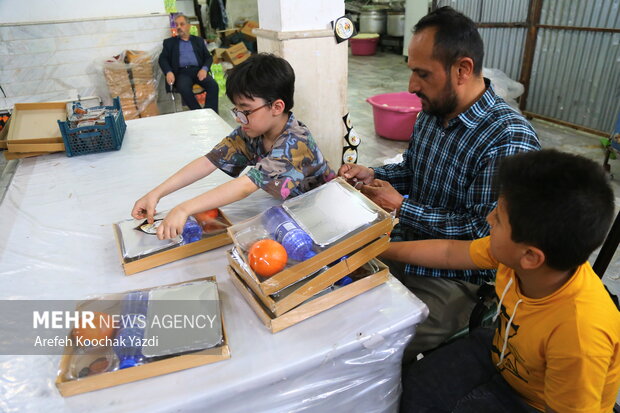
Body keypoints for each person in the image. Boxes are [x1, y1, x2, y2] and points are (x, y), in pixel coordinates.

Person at [338, 6, 540, 359]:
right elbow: (415, 170)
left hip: (459, 279)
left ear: (462, 69)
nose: (412, 86)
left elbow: (483, 238)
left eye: (422, 74)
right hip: (408, 242)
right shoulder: (433, 114)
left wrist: (401, 207)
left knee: (374, 344)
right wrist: (374, 175)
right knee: (335, 300)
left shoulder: (507, 140)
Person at [385, 150, 620, 413]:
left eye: (497, 218)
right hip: (505, 356)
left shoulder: (579, 335)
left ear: (531, 256)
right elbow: (451, 252)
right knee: (415, 384)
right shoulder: (518, 256)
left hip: (537, 404)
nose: (488, 219)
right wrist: (379, 249)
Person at [132, 53, 335, 239]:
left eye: (245, 110)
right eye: (236, 110)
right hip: (293, 208)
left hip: (324, 214)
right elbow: (208, 161)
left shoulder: (295, 142)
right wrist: (156, 193)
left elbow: (246, 186)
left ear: (277, 107)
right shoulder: (253, 132)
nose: (240, 119)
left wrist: (184, 209)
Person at [158, 14, 219, 112]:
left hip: (198, 70)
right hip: (182, 73)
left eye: (182, 24)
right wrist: (168, 72)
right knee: (183, 88)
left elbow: (208, 57)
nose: (178, 27)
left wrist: (204, 69)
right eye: (176, 25)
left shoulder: (198, 41)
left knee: (213, 86)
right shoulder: (169, 43)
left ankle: (211, 113)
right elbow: (162, 59)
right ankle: (199, 112)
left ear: (189, 26)